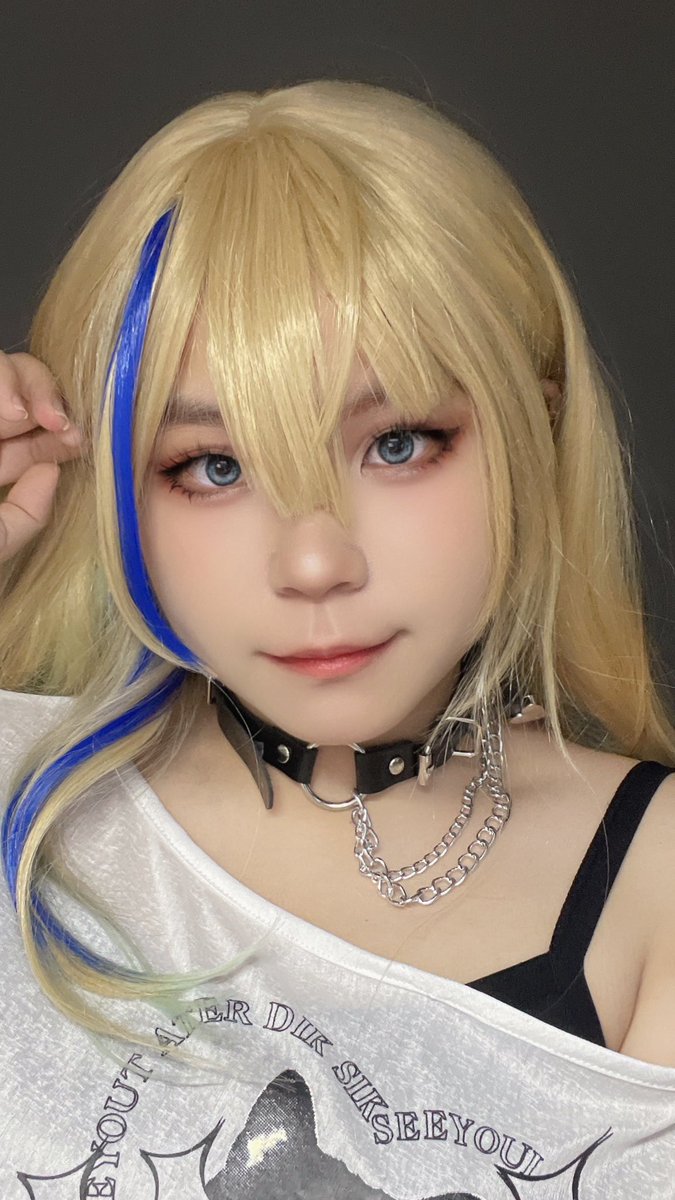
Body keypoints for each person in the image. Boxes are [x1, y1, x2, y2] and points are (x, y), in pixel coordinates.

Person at [0, 78, 674, 1199]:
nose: (314, 564)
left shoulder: (655, 887)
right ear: (110, 486)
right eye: (213, 467)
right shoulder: (25, 798)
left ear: (536, 425)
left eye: (397, 444)